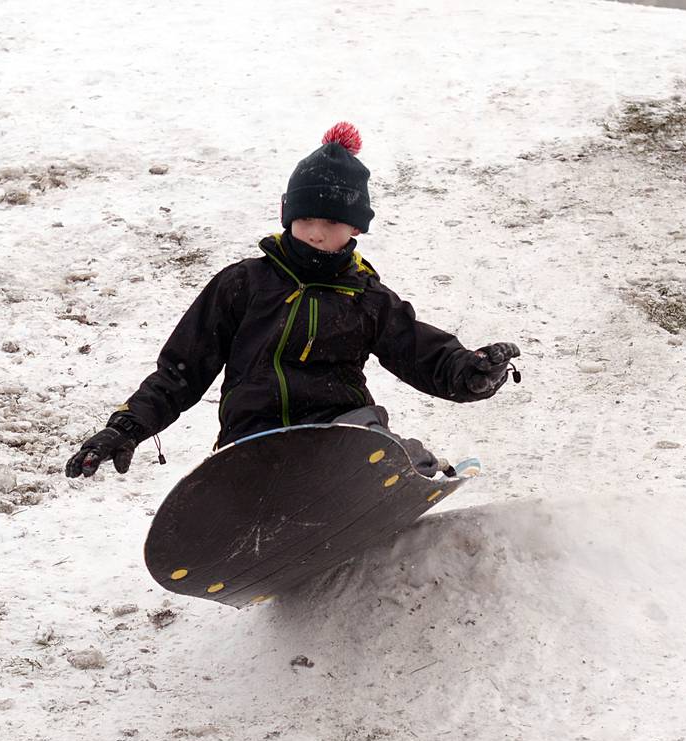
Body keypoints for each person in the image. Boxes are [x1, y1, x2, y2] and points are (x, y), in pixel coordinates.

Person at [66, 122, 520, 481]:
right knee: (245, 482)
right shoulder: (242, 284)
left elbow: (422, 353)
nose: (315, 232)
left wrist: (472, 372)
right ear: (287, 215)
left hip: (343, 432)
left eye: (330, 221)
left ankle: (412, 478)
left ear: (356, 228)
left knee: (382, 447)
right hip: (254, 438)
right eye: (304, 219)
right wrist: (125, 428)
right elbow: (181, 372)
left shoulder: (366, 298)